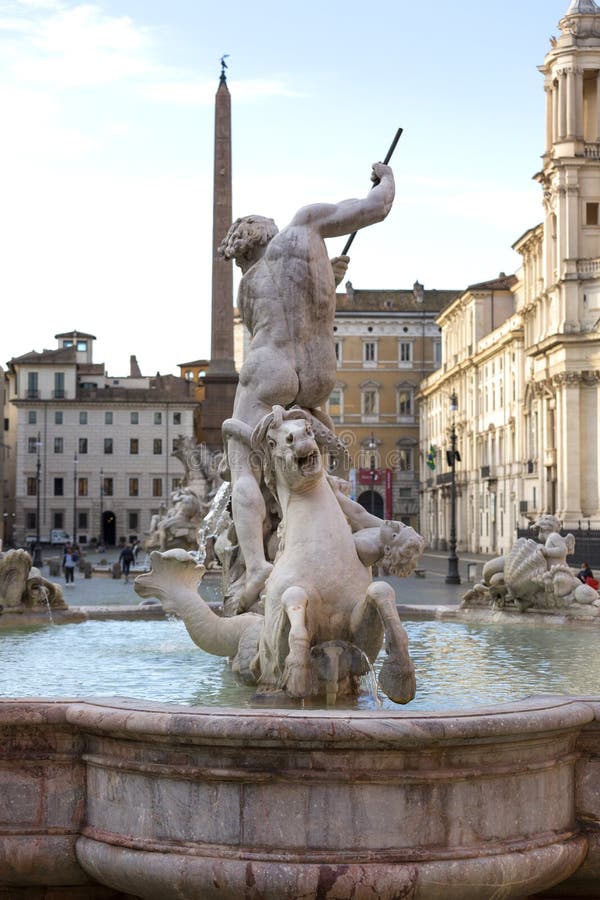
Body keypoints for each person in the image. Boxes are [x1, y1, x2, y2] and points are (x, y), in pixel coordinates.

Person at [218, 162, 395, 605]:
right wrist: (385, 176)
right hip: (318, 375)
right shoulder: (306, 227)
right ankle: (337, 542)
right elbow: (378, 206)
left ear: (243, 254)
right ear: (270, 230)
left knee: (244, 465)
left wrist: (324, 280)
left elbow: (277, 317)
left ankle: (257, 564)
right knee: (322, 464)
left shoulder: (248, 287)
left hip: (270, 368)